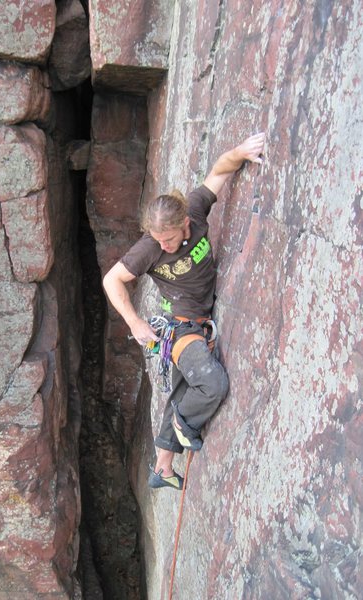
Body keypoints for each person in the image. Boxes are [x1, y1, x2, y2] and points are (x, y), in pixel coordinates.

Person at [103, 132, 266, 490]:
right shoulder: (150, 247)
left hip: (194, 322)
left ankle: (162, 468)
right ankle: (182, 426)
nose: (163, 246)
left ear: (185, 225)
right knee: (210, 383)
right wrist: (134, 321)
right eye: (158, 240)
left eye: (169, 240)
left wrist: (240, 152)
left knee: (180, 393)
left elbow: (218, 174)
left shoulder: (193, 209)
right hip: (180, 328)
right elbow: (113, 280)